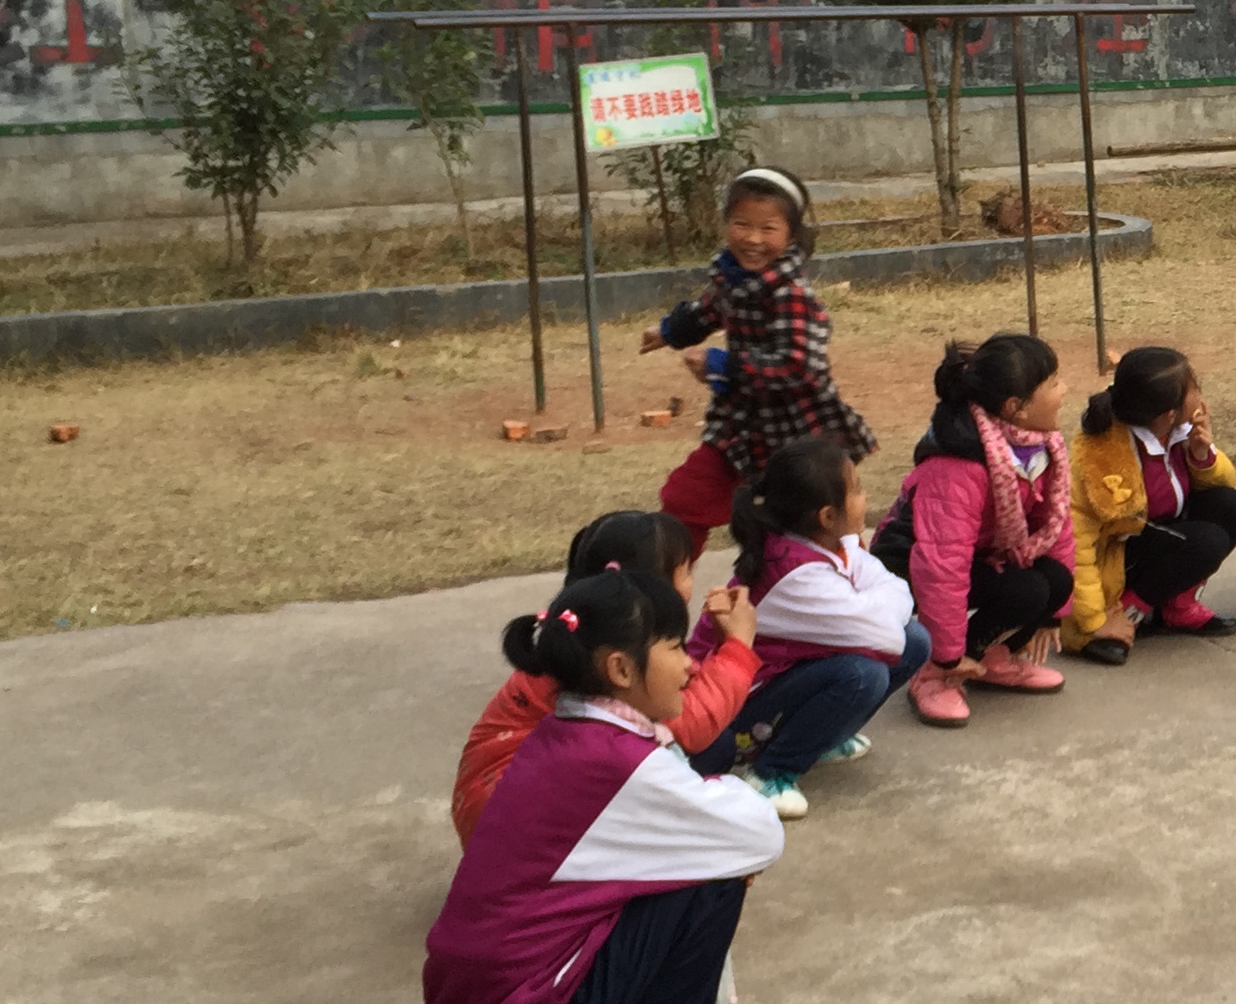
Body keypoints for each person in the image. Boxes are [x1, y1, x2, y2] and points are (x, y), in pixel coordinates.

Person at [424, 568, 783, 1004]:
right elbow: (760, 835)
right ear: (619, 669)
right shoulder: (614, 762)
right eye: (673, 647)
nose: (690, 663)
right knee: (711, 875)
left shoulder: (568, 734)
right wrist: (725, 800)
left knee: (693, 853)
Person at [451, 509, 756, 843]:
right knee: (707, 754)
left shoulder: (578, 636)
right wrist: (738, 645)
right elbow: (693, 722)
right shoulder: (610, 666)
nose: (691, 583)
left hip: (492, 812)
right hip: (522, 827)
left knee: (713, 747)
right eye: (686, 570)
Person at [639, 165, 876, 557]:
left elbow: (801, 366)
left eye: (768, 229)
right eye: (741, 224)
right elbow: (710, 307)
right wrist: (670, 331)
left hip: (796, 437)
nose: (752, 239)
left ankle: (859, 599)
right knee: (685, 499)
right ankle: (668, 589)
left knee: (817, 531)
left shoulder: (792, 295)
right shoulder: (733, 277)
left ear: (791, 234)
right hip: (740, 430)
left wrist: (724, 366)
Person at [702, 434, 926, 819]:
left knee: (916, 640)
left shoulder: (835, 543)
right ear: (826, 515)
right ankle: (770, 772)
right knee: (864, 673)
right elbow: (885, 635)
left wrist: (876, 605)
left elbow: (895, 590)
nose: (865, 495)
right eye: (856, 489)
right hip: (729, 711)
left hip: (777, 682)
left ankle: (820, 739)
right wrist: (877, 605)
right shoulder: (795, 575)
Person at [872, 333, 1076, 729]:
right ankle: (934, 672)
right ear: (1015, 408)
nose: (1064, 390)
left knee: (1052, 581)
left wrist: (1053, 614)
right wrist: (946, 651)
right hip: (909, 566)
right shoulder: (958, 464)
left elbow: (1056, 525)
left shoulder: (1039, 445)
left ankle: (991, 657)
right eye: (1052, 382)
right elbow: (940, 566)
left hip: (977, 556)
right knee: (1026, 589)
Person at [1068, 345, 1236, 663]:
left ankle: (1178, 606)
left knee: (1231, 506)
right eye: (1194, 388)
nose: (1200, 393)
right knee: (1206, 541)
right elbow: (1076, 544)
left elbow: (1223, 482)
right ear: (1168, 413)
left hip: (1159, 532)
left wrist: (1201, 456)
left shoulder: (1177, 431)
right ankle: (1124, 614)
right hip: (1118, 556)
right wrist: (1093, 619)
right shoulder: (1100, 454)